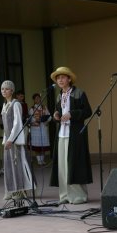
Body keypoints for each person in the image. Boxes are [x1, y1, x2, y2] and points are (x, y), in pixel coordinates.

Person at [50, 66, 93, 204]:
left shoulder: (79, 93)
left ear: (69, 79)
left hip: (75, 134)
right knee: (62, 166)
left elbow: (87, 111)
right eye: (58, 78)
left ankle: (78, 196)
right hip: (62, 134)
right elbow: (57, 111)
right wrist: (56, 114)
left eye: (63, 77)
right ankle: (65, 195)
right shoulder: (59, 95)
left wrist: (72, 114)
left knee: (74, 165)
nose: (60, 80)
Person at [0, 80, 33, 201]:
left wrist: (11, 139)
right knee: (8, 166)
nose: (4, 91)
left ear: (12, 91)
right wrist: (5, 140)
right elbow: (5, 126)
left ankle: (19, 191)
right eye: (3, 89)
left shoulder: (16, 104)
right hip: (8, 140)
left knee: (17, 165)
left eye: (7, 89)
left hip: (14, 140)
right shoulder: (5, 105)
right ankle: (10, 190)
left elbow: (17, 123)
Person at [28, 93, 51, 165]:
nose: (38, 99)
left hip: (43, 127)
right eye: (36, 98)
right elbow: (30, 119)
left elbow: (49, 116)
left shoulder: (44, 107)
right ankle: (38, 160)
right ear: (34, 100)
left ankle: (42, 160)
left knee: (43, 145)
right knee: (37, 146)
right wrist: (34, 122)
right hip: (35, 129)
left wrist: (47, 121)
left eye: (39, 98)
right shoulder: (32, 109)